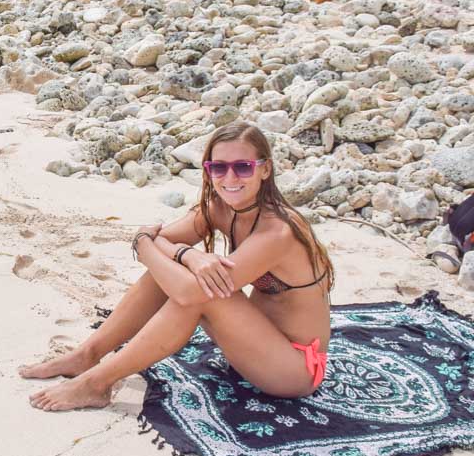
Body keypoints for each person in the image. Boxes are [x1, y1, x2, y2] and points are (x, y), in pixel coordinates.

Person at [20, 121, 335, 412]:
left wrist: (150, 246)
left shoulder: (277, 232)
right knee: (175, 273)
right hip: (254, 349)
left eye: (243, 167)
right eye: (218, 168)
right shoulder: (222, 209)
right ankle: (86, 355)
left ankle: (96, 383)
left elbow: (179, 280)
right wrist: (188, 255)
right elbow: (158, 237)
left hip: (293, 371)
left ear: (265, 170)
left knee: (201, 292)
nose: (230, 179)